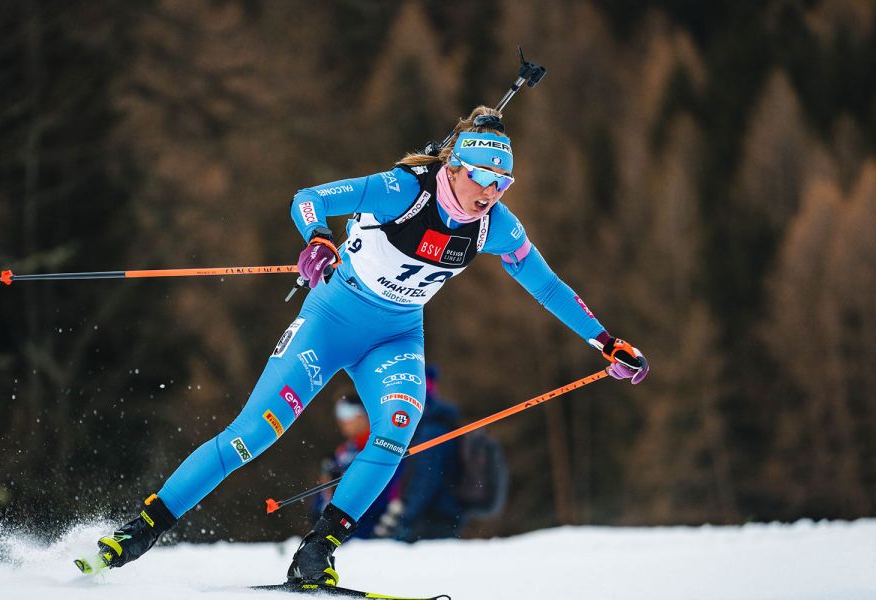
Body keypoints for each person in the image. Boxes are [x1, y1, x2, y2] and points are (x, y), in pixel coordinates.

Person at [88, 106, 649, 586]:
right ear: (455, 167)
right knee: (253, 434)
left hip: (398, 335)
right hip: (330, 320)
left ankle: (317, 553)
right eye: (483, 178)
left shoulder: (495, 226)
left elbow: (545, 284)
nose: (491, 193)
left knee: (399, 426)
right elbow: (307, 199)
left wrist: (606, 342)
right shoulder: (399, 190)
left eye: (503, 184)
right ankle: (141, 530)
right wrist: (317, 239)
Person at [311, 390, 402, 539]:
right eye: (339, 414)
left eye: (347, 413)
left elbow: (384, 494)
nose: (342, 421)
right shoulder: (341, 454)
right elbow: (319, 505)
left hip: (375, 538)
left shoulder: (384, 448)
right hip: (344, 539)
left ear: (363, 415)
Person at [394, 364, 464, 542]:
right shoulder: (429, 424)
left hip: (432, 520)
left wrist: (406, 516)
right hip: (434, 518)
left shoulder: (432, 429)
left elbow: (428, 477)